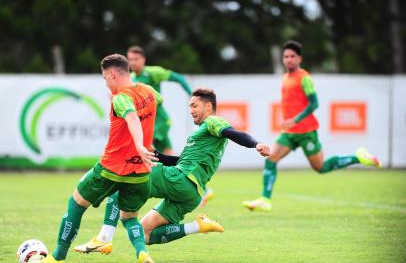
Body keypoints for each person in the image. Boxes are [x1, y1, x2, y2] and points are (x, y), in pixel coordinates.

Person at [74, 88, 270, 255]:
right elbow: (180, 161)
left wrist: (256, 144)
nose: (191, 110)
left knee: (126, 177)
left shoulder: (213, 122)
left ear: (208, 106)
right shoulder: (203, 134)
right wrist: (155, 155)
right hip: (191, 194)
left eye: (195, 106)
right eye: (189, 106)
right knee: (145, 233)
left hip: (181, 180)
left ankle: (104, 238)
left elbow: (234, 133)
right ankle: (197, 226)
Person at [42, 54, 161, 263]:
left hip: (111, 168)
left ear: (113, 74)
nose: (106, 82)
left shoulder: (121, 98)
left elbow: (132, 117)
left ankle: (57, 257)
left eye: (105, 78)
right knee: (130, 218)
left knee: (76, 203)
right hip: (141, 171)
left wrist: (140, 145)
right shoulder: (148, 91)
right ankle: (142, 253)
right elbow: (158, 101)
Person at [242, 41, 381, 212]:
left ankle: (358, 157)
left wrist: (295, 119)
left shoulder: (304, 78)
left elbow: (314, 103)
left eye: (292, 56)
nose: (289, 59)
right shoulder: (285, 78)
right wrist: (290, 123)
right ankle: (265, 199)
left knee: (320, 167)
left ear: (299, 58)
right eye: (286, 57)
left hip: (307, 132)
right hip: (289, 133)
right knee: (271, 159)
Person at [127, 45, 192, 154]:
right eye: (130, 59)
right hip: (146, 121)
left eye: (136, 59)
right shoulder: (130, 78)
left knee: (145, 147)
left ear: (143, 60)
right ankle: (181, 169)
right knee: (167, 153)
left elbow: (178, 78)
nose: (133, 62)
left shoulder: (153, 72)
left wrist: (192, 95)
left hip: (160, 120)